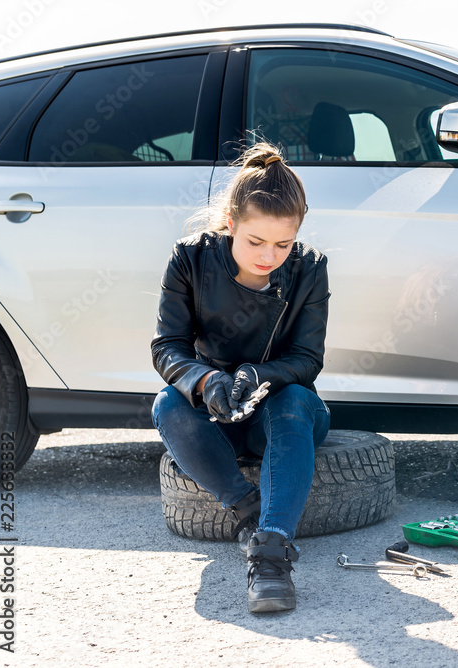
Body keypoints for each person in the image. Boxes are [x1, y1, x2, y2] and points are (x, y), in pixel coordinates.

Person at [150, 140, 331, 613]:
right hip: (217, 410)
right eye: (255, 241)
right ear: (231, 223)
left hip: (290, 410)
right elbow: (167, 347)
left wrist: (256, 373)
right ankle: (246, 507)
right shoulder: (189, 258)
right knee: (166, 403)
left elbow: (308, 358)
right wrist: (206, 382)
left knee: (290, 401)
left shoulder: (310, 268)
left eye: (282, 244)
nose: (269, 256)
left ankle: (270, 558)